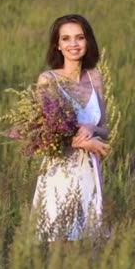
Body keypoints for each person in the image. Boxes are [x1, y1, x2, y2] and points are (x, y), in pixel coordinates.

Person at [32, 14, 111, 242]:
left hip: (90, 170)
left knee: (90, 242)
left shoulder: (95, 77)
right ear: (57, 45)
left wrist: (91, 128)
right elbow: (47, 132)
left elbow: (104, 129)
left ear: (88, 42)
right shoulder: (48, 79)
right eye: (66, 39)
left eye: (79, 38)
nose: (73, 44)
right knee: (58, 241)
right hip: (61, 170)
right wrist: (86, 142)